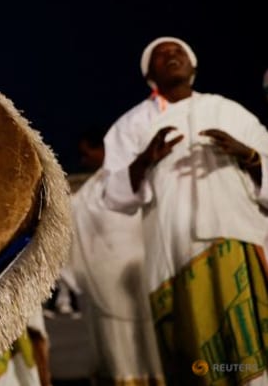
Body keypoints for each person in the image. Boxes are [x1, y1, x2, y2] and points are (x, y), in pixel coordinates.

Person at [102, 36, 268, 384]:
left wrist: (249, 156)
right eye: (160, 55)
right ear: (148, 74)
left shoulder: (229, 110)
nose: (171, 56)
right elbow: (113, 195)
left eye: (178, 51)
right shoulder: (131, 125)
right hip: (175, 257)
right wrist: (143, 161)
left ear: (193, 65)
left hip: (238, 240)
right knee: (200, 363)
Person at [61, 126, 164, 385]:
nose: (84, 161)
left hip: (139, 277)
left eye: (87, 154)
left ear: (103, 148)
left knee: (154, 349)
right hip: (105, 285)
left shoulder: (129, 178)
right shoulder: (91, 189)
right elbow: (72, 216)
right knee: (118, 353)